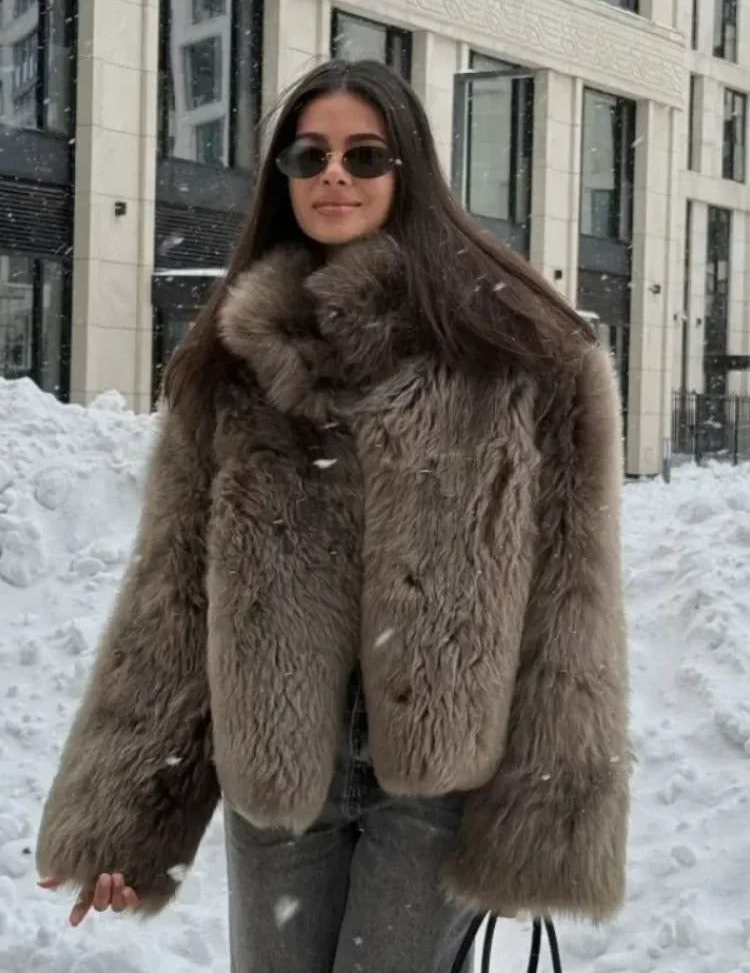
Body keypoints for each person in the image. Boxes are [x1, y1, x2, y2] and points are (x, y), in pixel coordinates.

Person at [36, 59, 629, 972]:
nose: (334, 174)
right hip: (277, 783)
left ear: (410, 171)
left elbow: (571, 600)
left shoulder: (520, 353)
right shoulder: (231, 360)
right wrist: (124, 819)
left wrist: (542, 819)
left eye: (365, 154)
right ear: (281, 176)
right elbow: (173, 596)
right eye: (308, 155)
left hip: (437, 785)